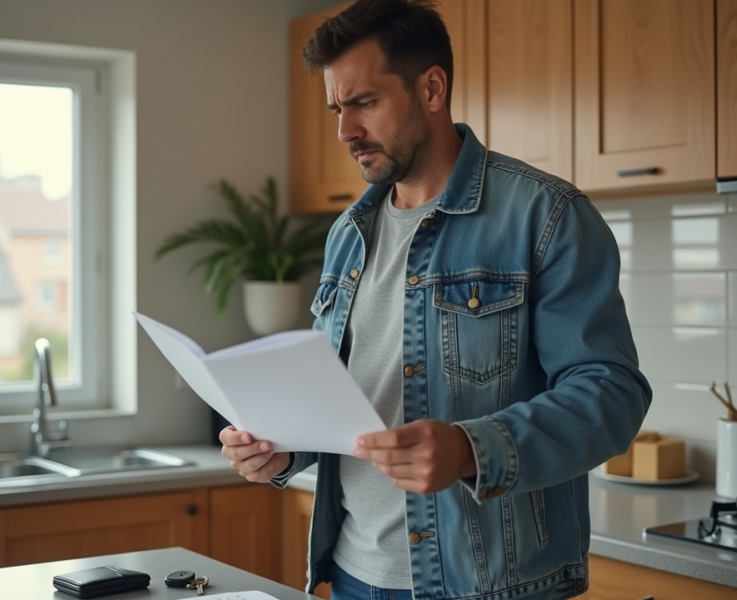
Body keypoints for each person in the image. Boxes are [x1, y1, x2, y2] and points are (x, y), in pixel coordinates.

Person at [220, 1, 652, 599]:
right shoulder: (349, 234)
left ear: (431, 88)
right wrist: (282, 449)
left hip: (490, 585)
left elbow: (611, 395)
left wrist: (472, 448)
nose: (345, 131)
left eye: (364, 103)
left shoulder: (545, 216)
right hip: (351, 576)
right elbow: (339, 402)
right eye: (336, 109)